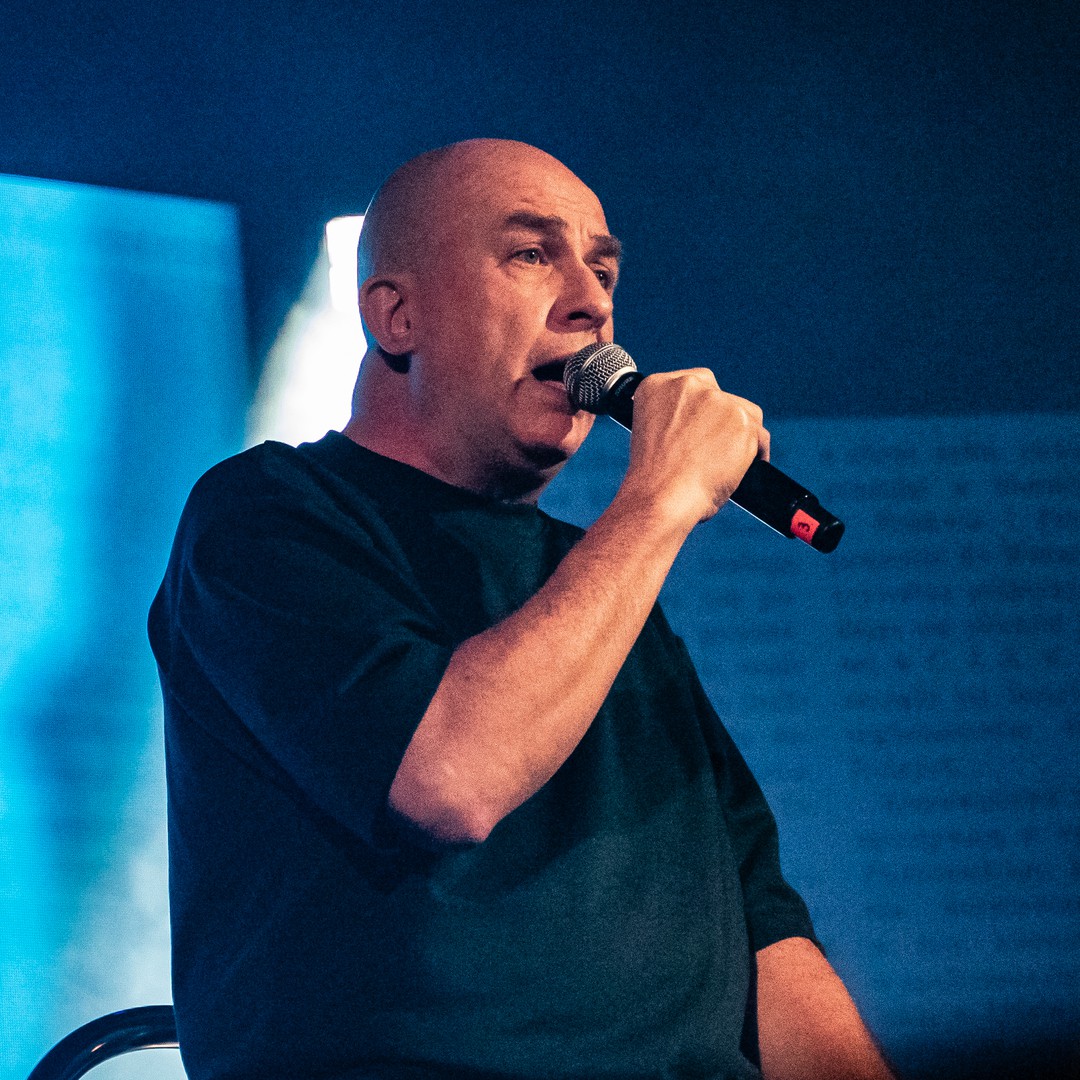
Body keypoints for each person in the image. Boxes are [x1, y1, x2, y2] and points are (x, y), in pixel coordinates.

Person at [149, 138, 894, 1079]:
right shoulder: (265, 517)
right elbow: (448, 779)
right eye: (532, 254)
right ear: (398, 315)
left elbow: (766, 938)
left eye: (604, 269)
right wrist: (659, 500)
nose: (591, 302)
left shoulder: (602, 583)